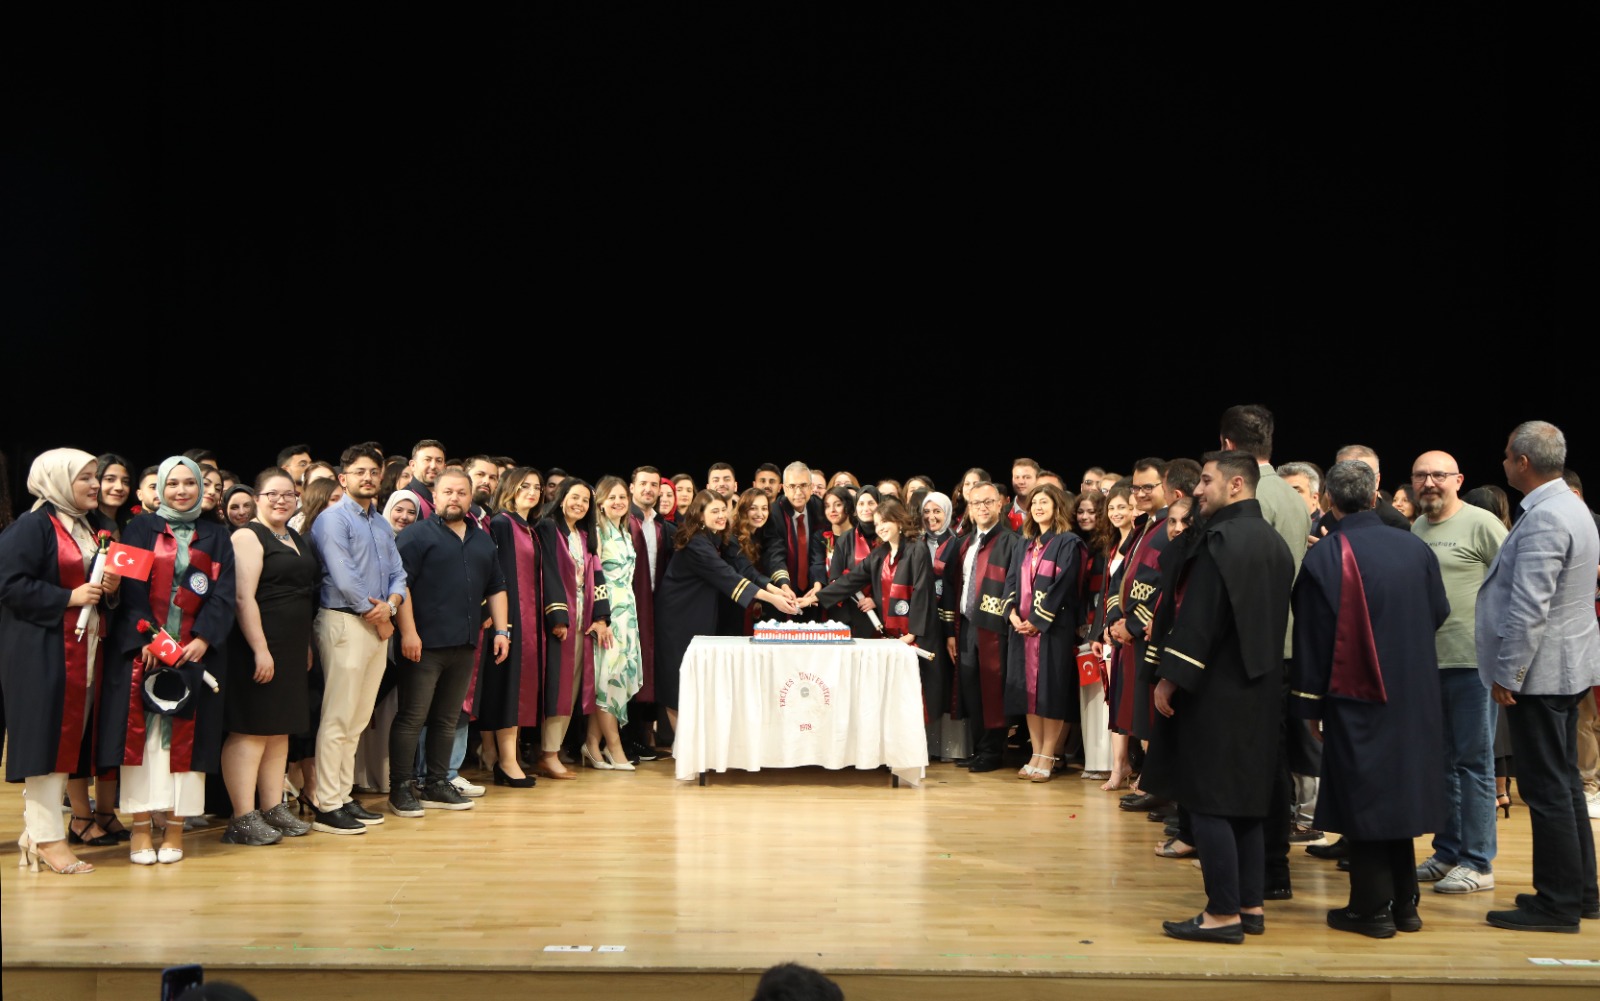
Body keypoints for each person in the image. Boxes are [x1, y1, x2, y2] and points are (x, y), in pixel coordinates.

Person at [1291, 459, 1450, 937]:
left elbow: (1313, 640)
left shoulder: (1327, 555)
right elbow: (1439, 612)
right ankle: (1405, 903)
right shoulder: (1414, 546)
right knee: (1396, 792)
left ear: (1328, 501)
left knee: (1364, 796)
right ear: (1374, 494)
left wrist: (1310, 706)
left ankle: (1371, 907)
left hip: (1356, 692)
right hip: (1415, 691)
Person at [1141, 452, 1292, 943]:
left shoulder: (1219, 540)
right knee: (1245, 801)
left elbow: (1199, 619)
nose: (1197, 489)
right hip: (1261, 689)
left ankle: (1223, 913)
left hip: (1216, 690)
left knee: (1206, 801)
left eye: (1206, 481)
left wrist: (1169, 678)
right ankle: (1249, 905)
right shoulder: (1273, 541)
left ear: (1236, 485)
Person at [1477, 421, 1600, 932]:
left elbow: (1531, 607)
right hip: (1566, 668)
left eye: (1508, 455)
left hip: (1542, 675)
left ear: (1523, 462)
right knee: (1564, 783)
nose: (1504, 462)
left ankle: (1557, 904)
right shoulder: (1570, 505)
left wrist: (1510, 672)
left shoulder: (1547, 516)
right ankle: (1580, 892)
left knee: (1547, 789)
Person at [101, 455, 237, 864]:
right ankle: (141, 828)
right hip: (146, 652)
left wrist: (203, 638)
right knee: (141, 744)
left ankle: (175, 828)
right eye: (173, 483)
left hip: (195, 655)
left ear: (201, 488)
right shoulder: (140, 528)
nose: (181, 491)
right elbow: (130, 589)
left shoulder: (217, 535)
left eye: (189, 483)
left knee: (188, 745)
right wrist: (147, 637)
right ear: (160, 488)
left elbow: (224, 594)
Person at [0, 448, 120, 874]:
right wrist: (67, 597)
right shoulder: (32, 526)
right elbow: (9, 585)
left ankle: (36, 834)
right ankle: (47, 837)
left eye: (95, 475)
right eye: (84, 477)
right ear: (55, 480)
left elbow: (94, 587)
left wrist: (110, 588)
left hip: (83, 652)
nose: (95, 484)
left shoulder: (91, 525)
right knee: (45, 744)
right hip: (42, 653)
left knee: (66, 745)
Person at [1407, 450, 1508, 897]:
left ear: (1458, 480)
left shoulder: (1482, 523)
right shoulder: (1417, 528)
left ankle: (1479, 862)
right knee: (1442, 765)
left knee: (1475, 764)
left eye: (1438, 475)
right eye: (1421, 475)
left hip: (1473, 663)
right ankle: (1448, 853)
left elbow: (1513, 585)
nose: (1429, 482)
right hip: (1429, 664)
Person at [389, 468, 509, 817]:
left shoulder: (482, 539)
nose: (454, 498)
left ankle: (437, 783)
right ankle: (400, 788)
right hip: (423, 645)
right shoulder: (415, 536)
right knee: (413, 717)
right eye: (447, 492)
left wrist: (502, 631)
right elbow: (401, 585)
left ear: (470, 498)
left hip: (464, 644)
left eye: (461, 493)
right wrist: (408, 632)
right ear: (435, 497)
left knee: (447, 718)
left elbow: (497, 587)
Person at [306, 443, 408, 836]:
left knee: (359, 717)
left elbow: (399, 573)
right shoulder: (332, 520)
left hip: (377, 623)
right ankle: (327, 804)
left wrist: (391, 607)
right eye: (359, 471)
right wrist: (379, 615)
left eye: (373, 472)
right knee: (338, 716)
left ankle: (343, 794)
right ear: (343, 477)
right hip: (345, 622)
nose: (368, 478)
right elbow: (345, 578)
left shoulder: (380, 523)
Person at [220, 468, 320, 846]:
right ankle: (242, 817)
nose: (281, 500)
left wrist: (305, 645)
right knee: (251, 729)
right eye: (272, 494)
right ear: (257, 499)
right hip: (258, 645)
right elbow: (242, 597)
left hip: (291, 646)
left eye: (288, 494)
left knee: (279, 731)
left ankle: (272, 807)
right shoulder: (248, 535)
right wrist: (260, 649)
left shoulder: (294, 536)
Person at [654, 491, 800, 732]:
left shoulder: (714, 538)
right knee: (677, 683)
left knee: (696, 682)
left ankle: (692, 745)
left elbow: (745, 571)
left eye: (723, 510)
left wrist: (778, 590)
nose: (722, 515)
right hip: (678, 618)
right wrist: (773, 599)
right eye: (714, 511)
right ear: (700, 515)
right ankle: (682, 747)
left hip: (696, 615)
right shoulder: (696, 543)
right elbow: (729, 577)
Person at [1003, 483, 1087, 782]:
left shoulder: (1069, 543)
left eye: (1044, 502)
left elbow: (1064, 586)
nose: (1038, 507)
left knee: (1050, 692)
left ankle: (1049, 753)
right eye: (1035, 503)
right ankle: (1035, 753)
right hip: (1022, 631)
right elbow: (1011, 580)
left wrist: (1038, 620)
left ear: (1057, 507)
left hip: (1053, 630)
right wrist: (1012, 613)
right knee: (1028, 694)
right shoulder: (1024, 543)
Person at [534, 478, 612, 780]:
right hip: (559, 617)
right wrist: (557, 616)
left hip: (582, 616)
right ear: (562, 497)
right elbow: (549, 572)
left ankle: (552, 751)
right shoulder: (548, 528)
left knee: (572, 686)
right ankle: (547, 754)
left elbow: (597, 575)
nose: (579, 504)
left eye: (585, 500)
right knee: (557, 686)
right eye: (574, 497)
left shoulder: (584, 535)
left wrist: (601, 616)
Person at [942, 480, 1020, 773]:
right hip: (966, 625)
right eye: (976, 503)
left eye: (988, 502)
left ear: (1000, 504)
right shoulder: (964, 543)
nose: (983, 508)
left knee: (993, 688)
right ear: (970, 508)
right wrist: (950, 632)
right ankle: (979, 748)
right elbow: (952, 587)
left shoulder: (1012, 542)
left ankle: (992, 751)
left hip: (994, 627)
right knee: (971, 688)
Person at [474, 469, 543, 786]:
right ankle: (506, 761)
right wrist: (495, 615)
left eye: (537, 487)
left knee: (518, 689)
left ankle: (508, 758)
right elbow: (492, 572)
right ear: (510, 488)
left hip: (528, 619)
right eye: (524, 486)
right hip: (508, 618)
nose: (532, 491)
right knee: (507, 690)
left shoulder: (528, 528)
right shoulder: (502, 523)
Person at [805, 496, 937, 653]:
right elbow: (851, 579)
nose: (880, 528)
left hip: (919, 634)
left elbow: (921, 592)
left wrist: (912, 634)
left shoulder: (917, 549)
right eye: (877, 524)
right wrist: (816, 597)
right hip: (893, 635)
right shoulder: (880, 553)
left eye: (884, 521)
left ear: (899, 521)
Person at [586, 476, 643, 771]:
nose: (618, 502)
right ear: (600, 503)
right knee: (608, 681)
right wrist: (601, 617)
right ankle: (614, 746)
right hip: (608, 615)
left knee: (615, 679)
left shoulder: (624, 531)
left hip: (627, 614)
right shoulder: (597, 533)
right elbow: (594, 579)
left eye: (622, 497)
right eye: (612, 497)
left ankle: (591, 743)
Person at [626, 467, 674, 758]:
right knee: (628, 668)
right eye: (643, 483)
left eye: (654, 484)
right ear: (632, 487)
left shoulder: (662, 526)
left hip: (656, 605)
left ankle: (642, 738)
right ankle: (625, 740)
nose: (649, 489)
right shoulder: (623, 521)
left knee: (649, 669)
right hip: (627, 606)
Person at [766, 462, 826, 619]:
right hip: (784, 590)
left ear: (811, 487)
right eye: (792, 486)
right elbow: (775, 553)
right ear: (784, 488)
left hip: (813, 588)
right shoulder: (774, 512)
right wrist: (784, 585)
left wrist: (818, 583)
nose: (798, 492)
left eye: (803, 485)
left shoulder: (819, 507)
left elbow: (819, 551)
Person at [406, 439, 447, 520]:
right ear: (413, 465)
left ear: (445, 467)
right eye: (427, 460)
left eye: (439, 461)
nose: (433, 466)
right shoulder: (404, 497)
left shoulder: (448, 499)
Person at [95, 452, 134, 528]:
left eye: (125, 482)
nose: (119, 487)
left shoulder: (133, 524)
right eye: (110, 479)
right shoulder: (84, 525)